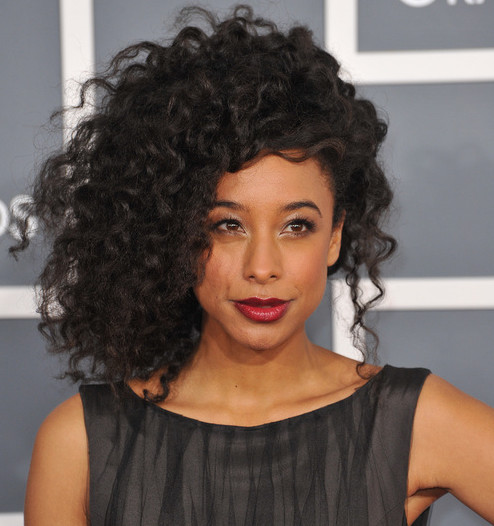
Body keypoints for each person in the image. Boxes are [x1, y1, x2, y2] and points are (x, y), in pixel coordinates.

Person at [14, 5, 493, 526]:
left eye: (296, 226)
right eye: (228, 225)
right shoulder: (82, 444)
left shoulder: (412, 421)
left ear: (334, 237)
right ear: (176, 235)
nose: (262, 267)